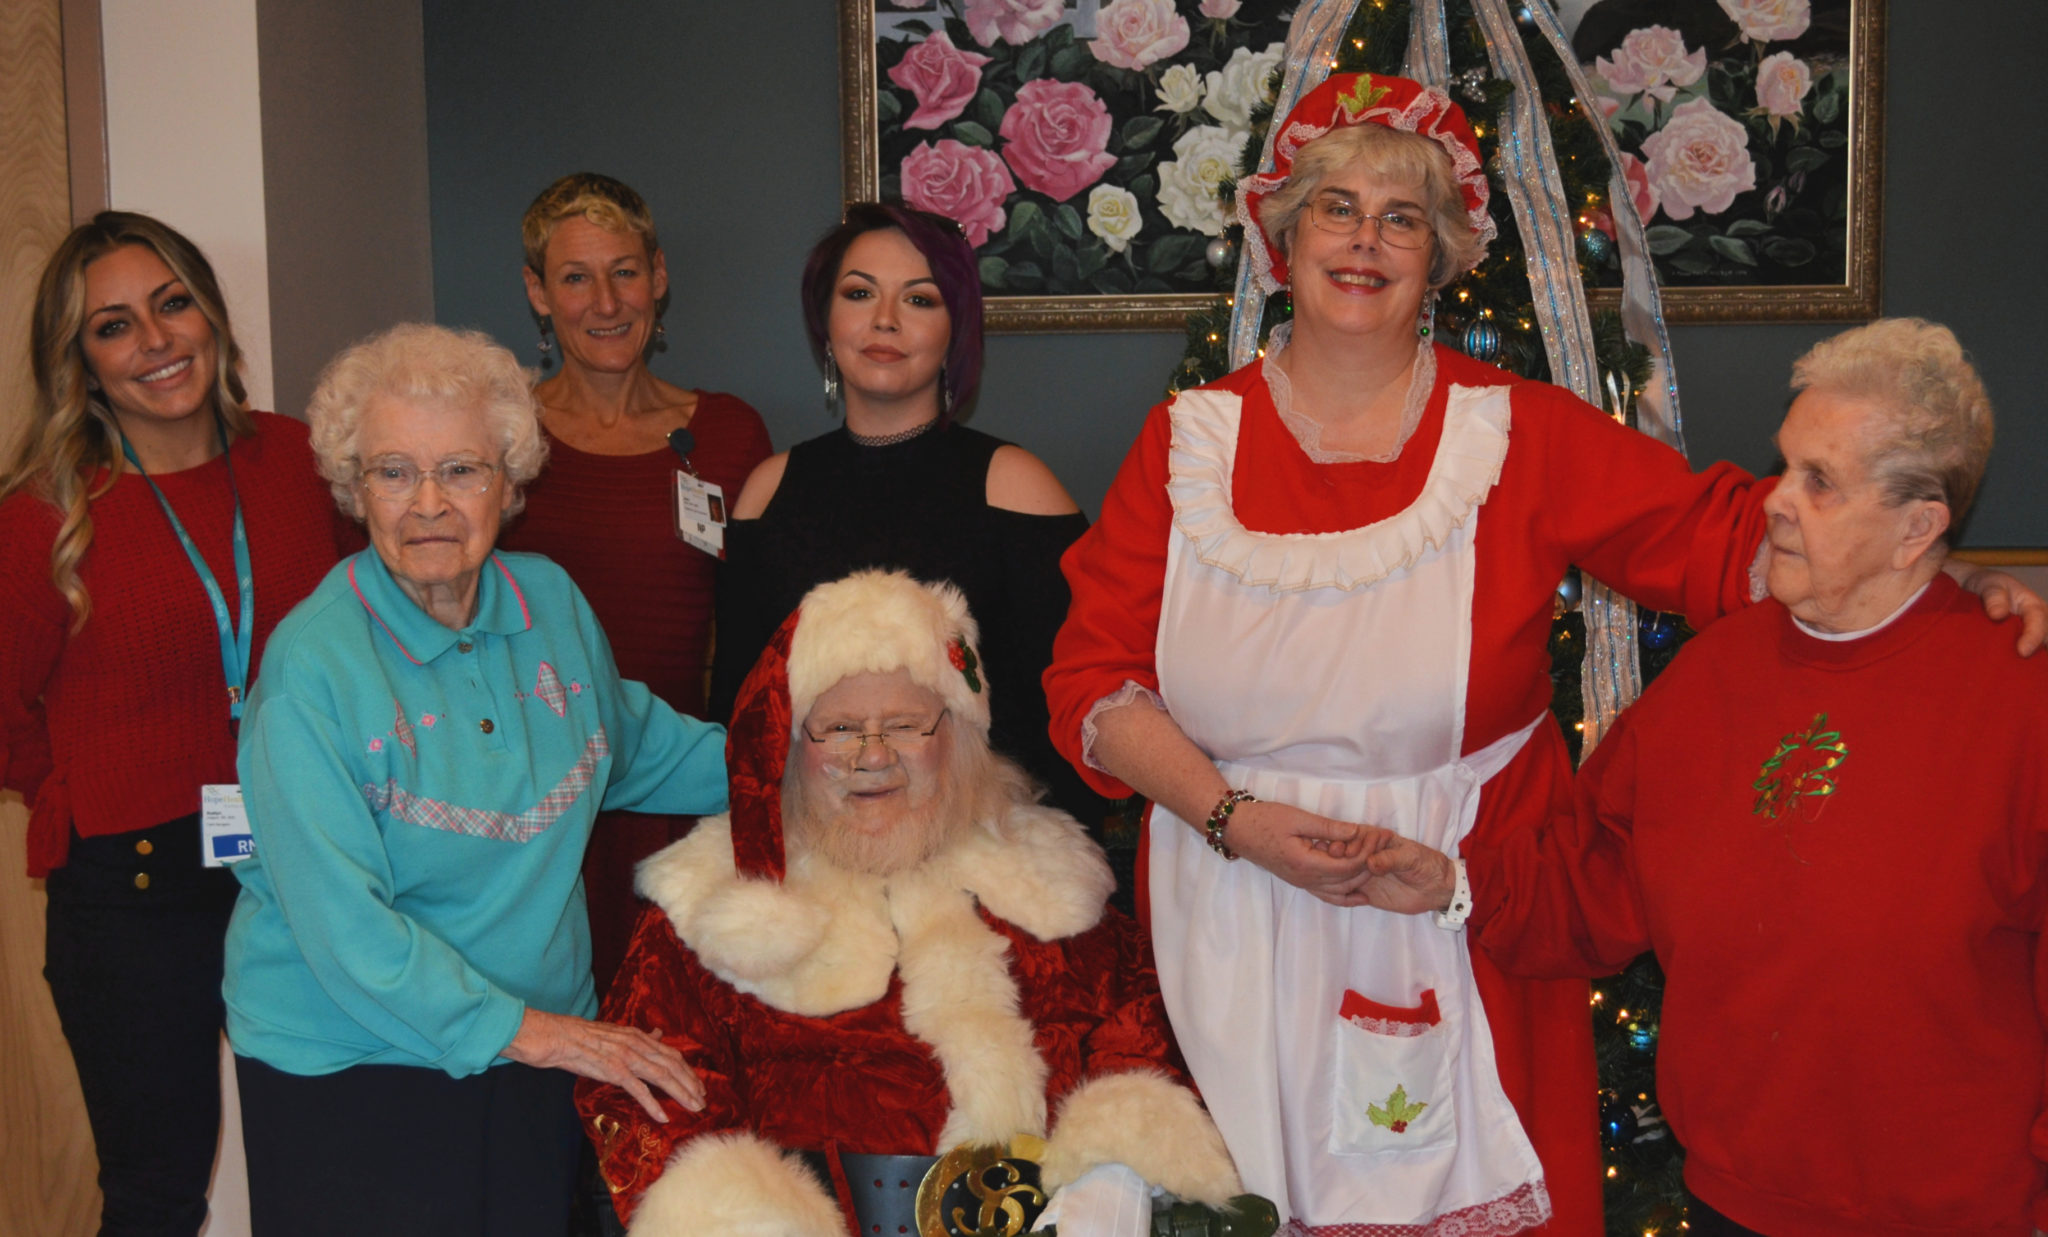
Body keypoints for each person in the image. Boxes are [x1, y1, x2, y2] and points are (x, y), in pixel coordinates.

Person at [1043, 73, 2045, 1236]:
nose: (1365, 240)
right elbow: (1091, 682)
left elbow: (1727, 537)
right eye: (1336, 206)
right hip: (1230, 914)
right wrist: (1230, 817)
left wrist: (1933, 574)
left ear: (1442, 253)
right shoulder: (1186, 445)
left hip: (1458, 917)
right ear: (1281, 231)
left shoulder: (1512, 432)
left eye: (1402, 216)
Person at [1355, 320, 2048, 1237]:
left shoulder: (2019, 693)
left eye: (1821, 482)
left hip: (1957, 1212)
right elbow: (1594, 875)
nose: (1774, 501)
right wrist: (1451, 881)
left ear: (1918, 527)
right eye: (1786, 465)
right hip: (1732, 1197)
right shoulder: (1716, 671)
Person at [221, 323, 727, 1237]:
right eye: (392, 471)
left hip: (530, 1048)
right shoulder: (312, 671)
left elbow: (634, 744)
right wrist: (541, 1034)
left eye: (460, 469)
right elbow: (345, 930)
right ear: (353, 485)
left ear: (510, 481)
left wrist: (805, 765)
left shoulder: (551, 603)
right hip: (355, 1060)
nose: (428, 504)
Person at [580, 570, 1246, 1237]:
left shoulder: (1051, 882)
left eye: (903, 725)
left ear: (955, 737)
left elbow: (1139, 1039)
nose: (873, 757)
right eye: (839, 728)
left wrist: (1108, 1189)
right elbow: (640, 1088)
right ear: (788, 742)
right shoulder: (708, 900)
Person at [0, 211, 348, 1237]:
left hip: (304, 865)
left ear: (212, 315)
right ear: (81, 363)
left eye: (172, 302)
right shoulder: (40, 514)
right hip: (136, 894)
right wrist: (89, 788)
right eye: (113, 326)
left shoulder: (297, 459)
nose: (155, 342)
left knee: (338, 1154)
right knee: (157, 1196)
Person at [712, 203, 1103, 830]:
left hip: (986, 859)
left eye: (920, 300)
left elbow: (1074, 718)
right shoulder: (767, 492)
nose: (885, 319)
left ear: (957, 328)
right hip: (815, 861)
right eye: (860, 293)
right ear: (825, 318)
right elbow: (735, 728)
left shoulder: (1018, 487)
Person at [498, 172, 773, 991]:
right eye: (575, 277)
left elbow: (753, 621)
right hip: (532, 799)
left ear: (658, 276)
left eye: (624, 270)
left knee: (680, 1030)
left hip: (680, 790)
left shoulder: (727, 432)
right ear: (538, 293)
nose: (605, 301)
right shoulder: (496, 432)